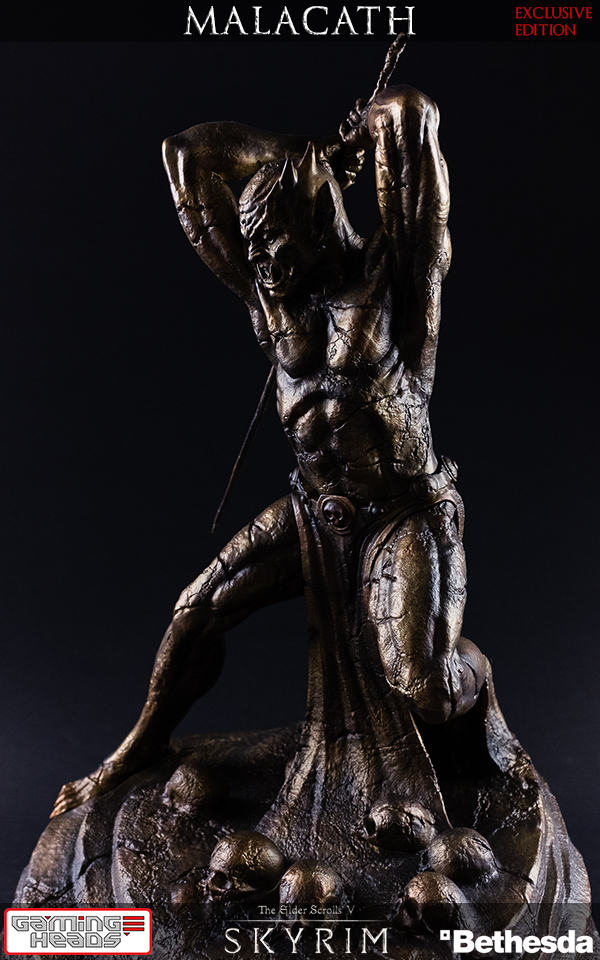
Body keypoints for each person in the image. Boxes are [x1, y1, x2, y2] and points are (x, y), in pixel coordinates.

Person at [51, 81, 487, 820]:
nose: (262, 264)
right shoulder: (276, 306)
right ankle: (139, 748)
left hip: (401, 516)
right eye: (254, 251)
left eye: (275, 243)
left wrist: (350, 144)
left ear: (318, 219)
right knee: (195, 612)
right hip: (315, 517)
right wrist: (295, 152)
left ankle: (473, 670)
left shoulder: (396, 279)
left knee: (423, 686)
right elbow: (186, 157)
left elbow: (409, 114)